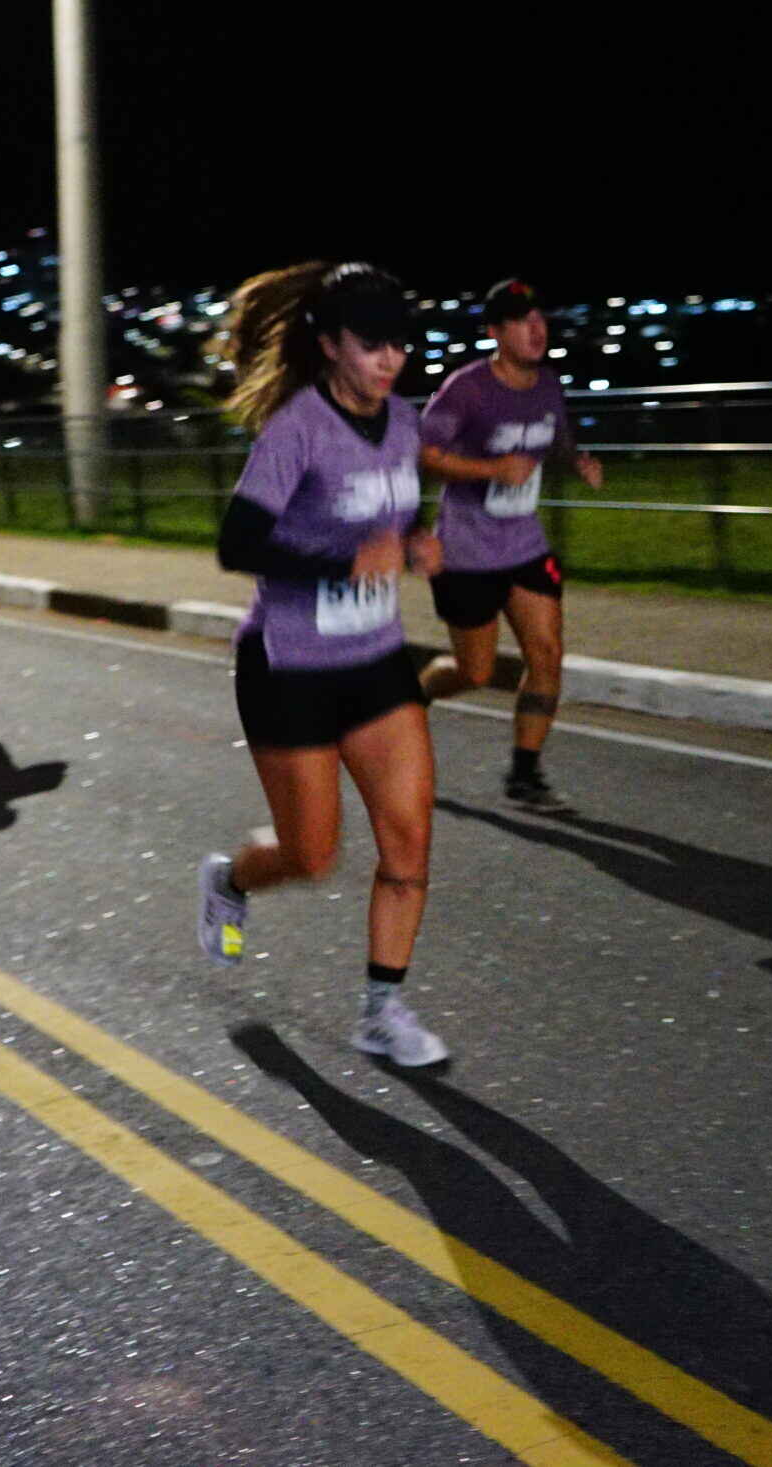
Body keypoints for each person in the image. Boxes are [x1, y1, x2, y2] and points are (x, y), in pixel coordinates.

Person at [195, 261, 451, 1068]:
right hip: (289, 664)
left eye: (400, 345)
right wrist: (343, 558)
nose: (389, 359)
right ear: (332, 343)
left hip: (374, 661)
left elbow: (404, 509)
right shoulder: (296, 428)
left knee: (408, 840)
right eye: (372, 343)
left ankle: (383, 1011)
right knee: (312, 855)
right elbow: (236, 543)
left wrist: (415, 544)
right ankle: (231, 877)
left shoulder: (405, 422)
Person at [416, 277, 604, 811]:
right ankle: (416, 697)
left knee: (546, 654)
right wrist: (491, 467)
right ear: (496, 332)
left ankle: (525, 774)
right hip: (467, 551)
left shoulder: (547, 383)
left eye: (541, 319)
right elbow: (424, 452)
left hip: (525, 545)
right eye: (523, 322)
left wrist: (576, 460)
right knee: (475, 672)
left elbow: (557, 435)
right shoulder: (467, 389)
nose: (537, 329)